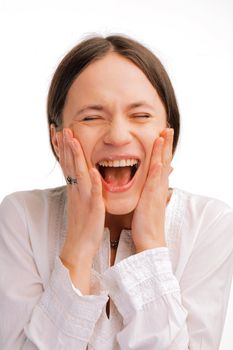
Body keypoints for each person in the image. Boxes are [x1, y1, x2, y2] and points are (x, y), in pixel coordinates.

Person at [0, 34, 233, 350]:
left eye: (141, 115)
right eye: (92, 117)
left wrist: (151, 245)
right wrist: (79, 245)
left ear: (169, 133)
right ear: (57, 139)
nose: (118, 135)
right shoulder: (22, 218)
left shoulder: (209, 222)